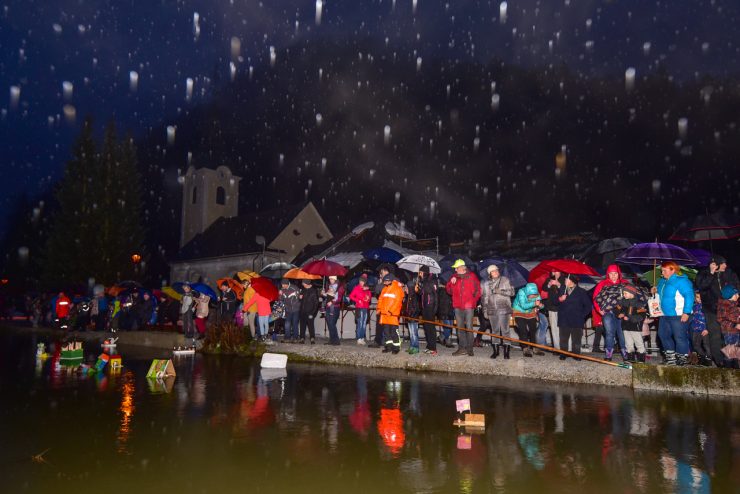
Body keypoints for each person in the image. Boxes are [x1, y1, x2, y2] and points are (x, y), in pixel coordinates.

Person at [694, 255, 739, 365]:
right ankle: (720, 362)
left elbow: (736, 288)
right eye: (723, 263)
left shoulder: (729, 273)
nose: (726, 265)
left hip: (727, 309)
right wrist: (711, 273)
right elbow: (701, 286)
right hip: (711, 310)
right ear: (716, 264)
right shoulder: (704, 273)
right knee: (715, 336)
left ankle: (732, 362)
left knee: (729, 336)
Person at [653, 261, 695, 366]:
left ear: (673, 270)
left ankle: (682, 358)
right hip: (664, 314)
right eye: (662, 270)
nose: (662, 273)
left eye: (664, 270)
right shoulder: (663, 281)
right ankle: (671, 358)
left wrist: (686, 312)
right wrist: (654, 290)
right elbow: (660, 294)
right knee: (663, 335)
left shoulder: (682, 281)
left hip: (678, 314)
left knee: (679, 337)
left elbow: (689, 296)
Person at [593, 264, 630, 361]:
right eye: (611, 273)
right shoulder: (602, 284)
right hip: (607, 312)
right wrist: (599, 310)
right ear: (608, 274)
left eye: (615, 273)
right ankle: (609, 353)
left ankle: (624, 352)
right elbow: (595, 298)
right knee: (609, 332)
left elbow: (632, 296)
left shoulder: (625, 283)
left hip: (621, 312)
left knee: (621, 333)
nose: (613, 275)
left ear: (619, 274)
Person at [446, 259, 481, 357]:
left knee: (469, 327)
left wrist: (474, 300)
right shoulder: (453, 277)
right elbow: (449, 291)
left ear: (462, 268)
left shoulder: (472, 276)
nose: (455, 270)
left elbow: (478, 290)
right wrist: (451, 284)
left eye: (456, 268)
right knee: (459, 328)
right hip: (457, 306)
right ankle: (462, 348)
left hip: (469, 306)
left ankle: (470, 349)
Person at [481, 264, 515, 359]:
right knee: (494, 331)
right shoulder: (486, 284)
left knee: (505, 331)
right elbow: (484, 298)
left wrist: (500, 291)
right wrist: (485, 311)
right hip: (492, 310)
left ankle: (506, 352)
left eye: (496, 270)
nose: (495, 272)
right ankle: (495, 352)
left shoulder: (505, 280)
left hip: (504, 309)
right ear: (490, 274)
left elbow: (512, 292)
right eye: (493, 271)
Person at [556, 275, 593, 360]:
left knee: (576, 338)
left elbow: (588, 306)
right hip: (564, 318)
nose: (564, 281)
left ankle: (576, 354)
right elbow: (554, 302)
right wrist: (560, 299)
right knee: (563, 338)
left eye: (566, 279)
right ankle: (563, 353)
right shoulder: (561, 290)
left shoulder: (581, 292)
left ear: (572, 281)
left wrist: (582, 315)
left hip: (577, 319)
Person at [614, 284, 648, 362]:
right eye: (623, 293)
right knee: (628, 343)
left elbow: (642, 315)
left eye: (625, 293)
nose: (624, 295)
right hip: (625, 326)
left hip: (635, 327)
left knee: (638, 342)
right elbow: (616, 309)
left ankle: (641, 358)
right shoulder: (622, 302)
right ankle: (630, 357)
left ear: (632, 293)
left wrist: (630, 318)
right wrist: (619, 314)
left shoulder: (639, 303)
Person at [512, 283, 542, 357]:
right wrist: (534, 303)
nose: (533, 296)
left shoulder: (536, 294)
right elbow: (523, 306)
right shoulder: (521, 292)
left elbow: (540, 305)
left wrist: (540, 306)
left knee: (533, 329)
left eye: (535, 295)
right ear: (527, 292)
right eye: (531, 295)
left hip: (530, 311)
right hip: (519, 310)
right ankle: (525, 348)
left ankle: (534, 347)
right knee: (523, 330)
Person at [369, 264, 396, 348]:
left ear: (386, 271)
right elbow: (377, 293)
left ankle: (385, 341)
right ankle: (379, 341)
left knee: (387, 326)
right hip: (382, 307)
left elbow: (378, 290)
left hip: (387, 308)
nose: (381, 274)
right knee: (380, 325)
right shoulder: (388, 281)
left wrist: (380, 283)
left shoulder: (389, 282)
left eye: (382, 272)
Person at [377, 273, 404, 354]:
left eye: (385, 281)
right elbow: (380, 299)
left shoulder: (397, 289)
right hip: (385, 314)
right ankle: (388, 346)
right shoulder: (384, 289)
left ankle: (396, 347)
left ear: (390, 281)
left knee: (393, 331)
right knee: (386, 331)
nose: (384, 283)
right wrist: (379, 309)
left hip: (393, 314)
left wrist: (391, 311)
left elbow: (398, 302)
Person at [716, 285, 740, 368]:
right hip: (729, 331)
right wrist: (735, 324)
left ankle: (735, 366)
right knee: (730, 350)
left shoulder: (734, 305)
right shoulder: (725, 305)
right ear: (730, 295)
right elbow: (723, 319)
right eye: (736, 294)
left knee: (736, 349)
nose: (738, 296)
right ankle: (728, 368)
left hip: (735, 331)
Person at [417, 266, 438, 355]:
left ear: (424, 272)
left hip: (430, 306)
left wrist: (421, 286)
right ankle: (429, 346)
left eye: (420, 272)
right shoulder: (424, 280)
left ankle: (433, 348)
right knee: (426, 327)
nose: (419, 274)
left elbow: (431, 292)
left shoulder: (431, 280)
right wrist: (418, 288)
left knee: (430, 328)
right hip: (425, 306)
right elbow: (422, 293)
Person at [542, 271, 565, 348]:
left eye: (556, 271)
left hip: (562, 308)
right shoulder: (549, 279)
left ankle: (565, 347)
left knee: (563, 329)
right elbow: (544, 288)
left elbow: (568, 289)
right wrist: (549, 284)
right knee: (554, 329)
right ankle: (557, 347)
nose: (555, 273)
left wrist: (559, 285)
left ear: (560, 272)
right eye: (553, 272)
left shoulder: (565, 279)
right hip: (552, 307)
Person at [689, 292, 712, 366]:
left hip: (704, 329)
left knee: (706, 344)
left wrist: (707, 329)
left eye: (701, 297)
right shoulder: (694, 306)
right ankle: (704, 356)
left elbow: (710, 319)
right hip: (696, 328)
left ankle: (708, 359)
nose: (699, 299)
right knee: (696, 345)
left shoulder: (707, 307)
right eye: (698, 297)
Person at [404, 270, 423, 354]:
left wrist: (411, 315)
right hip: (409, 318)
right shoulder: (408, 297)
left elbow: (416, 308)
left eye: (406, 287)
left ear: (410, 288)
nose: (405, 289)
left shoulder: (414, 297)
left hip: (413, 318)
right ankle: (412, 346)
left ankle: (416, 347)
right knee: (411, 333)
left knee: (414, 333)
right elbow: (407, 307)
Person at [349, 274, 372, 345]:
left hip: (366, 308)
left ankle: (362, 338)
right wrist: (357, 300)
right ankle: (359, 338)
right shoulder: (356, 288)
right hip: (359, 308)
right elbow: (351, 296)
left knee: (364, 323)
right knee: (360, 323)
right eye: (360, 281)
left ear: (365, 282)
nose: (361, 282)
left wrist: (368, 298)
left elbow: (369, 298)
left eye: (362, 281)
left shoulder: (367, 289)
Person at [322, 275, 343, 345]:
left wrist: (332, 302)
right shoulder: (329, 286)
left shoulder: (339, 287)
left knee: (332, 323)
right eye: (330, 279)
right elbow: (328, 296)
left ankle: (336, 340)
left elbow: (338, 298)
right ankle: (331, 339)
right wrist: (323, 293)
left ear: (335, 279)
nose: (330, 280)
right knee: (329, 323)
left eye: (332, 279)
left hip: (334, 307)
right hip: (328, 307)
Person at [299, 279, 320, 344]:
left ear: (307, 284)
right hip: (302, 311)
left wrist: (313, 313)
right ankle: (302, 338)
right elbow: (301, 301)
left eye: (304, 284)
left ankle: (312, 338)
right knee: (302, 325)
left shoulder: (314, 291)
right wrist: (300, 298)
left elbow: (316, 303)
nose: (303, 285)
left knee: (311, 325)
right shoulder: (303, 290)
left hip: (310, 312)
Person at [437, 280, 455, 347]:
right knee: (448, 326)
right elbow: (441, 302)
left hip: (450, 310)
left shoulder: (450, 290)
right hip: (444, 311)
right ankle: (448, 341)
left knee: (450, 326)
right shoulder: (441, 291)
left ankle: (441, 337)